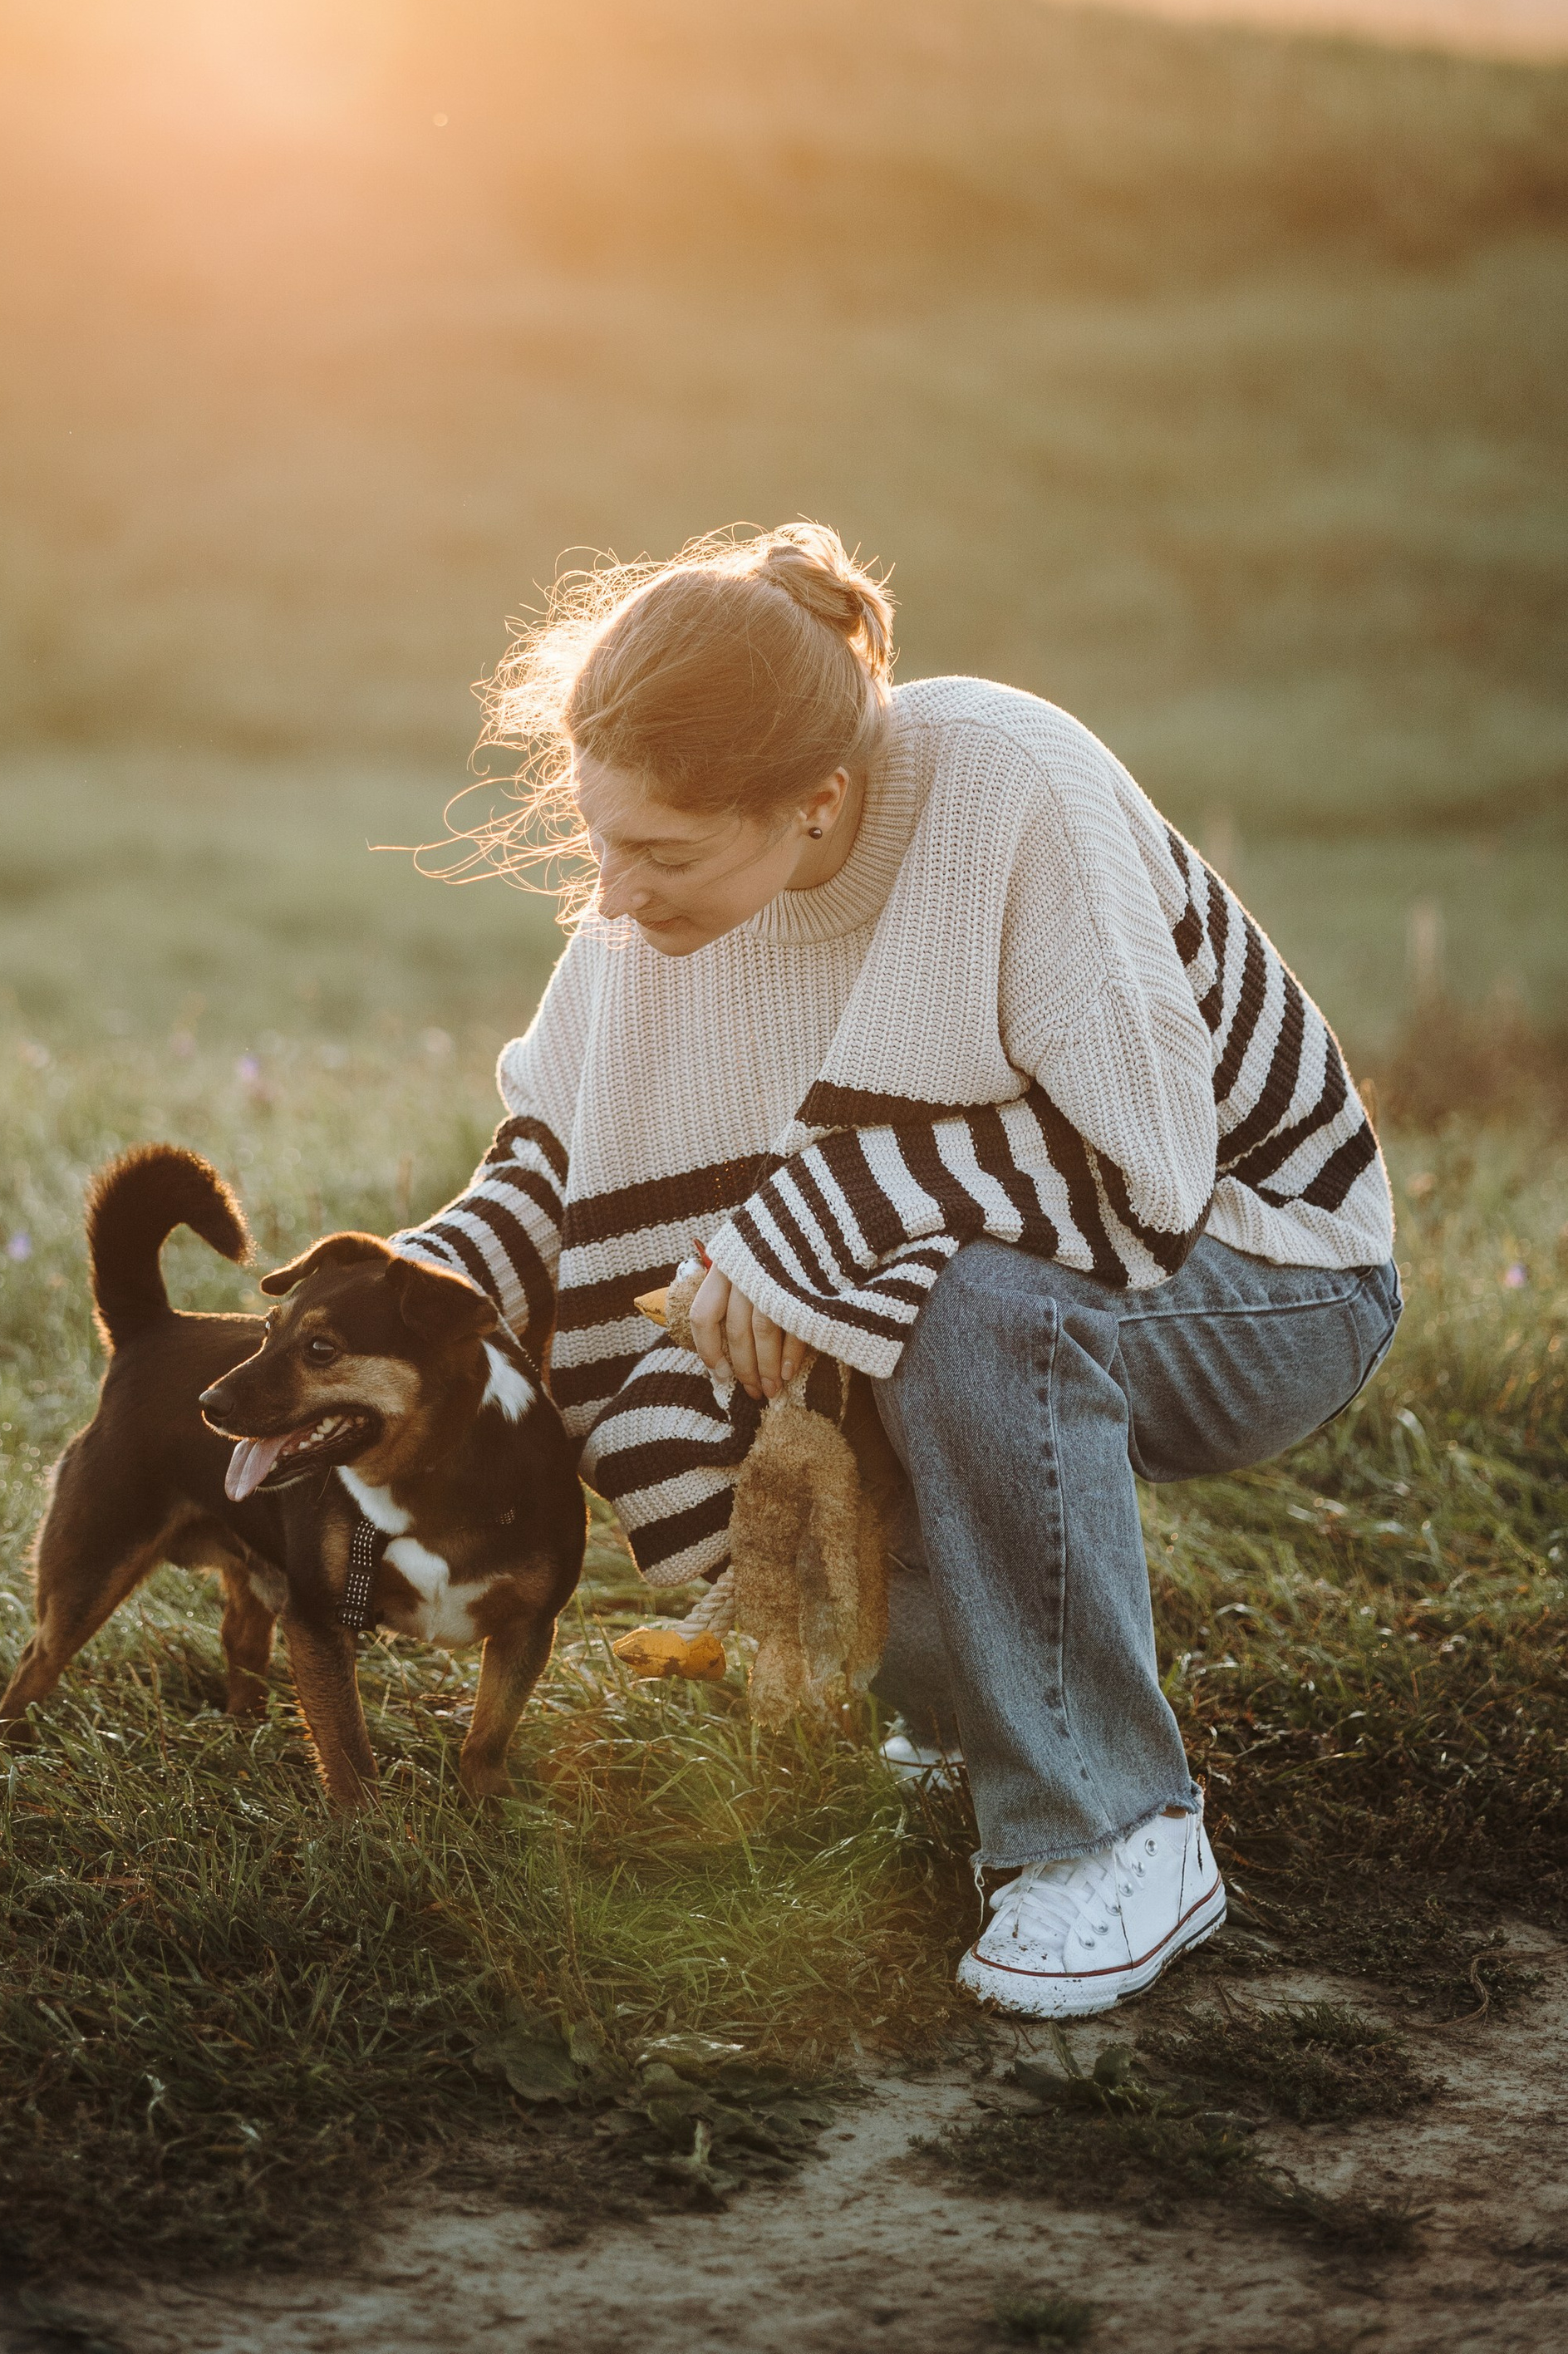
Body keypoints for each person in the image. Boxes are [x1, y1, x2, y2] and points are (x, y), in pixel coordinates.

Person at [396, 521, 1398, 2018]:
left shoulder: (1006, 782)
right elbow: (552, 1160)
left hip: (1270, 1267)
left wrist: (809, 1223)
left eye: (660, 854)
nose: (612, 895)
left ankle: (1118, 1831)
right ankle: (969, 1713)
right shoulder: (655, 907)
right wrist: (398, 1298)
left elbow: (1149, 1163)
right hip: (1006, 1260)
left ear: (814, 803)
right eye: (598, 840)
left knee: (951, 1299)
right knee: (836, 1354)